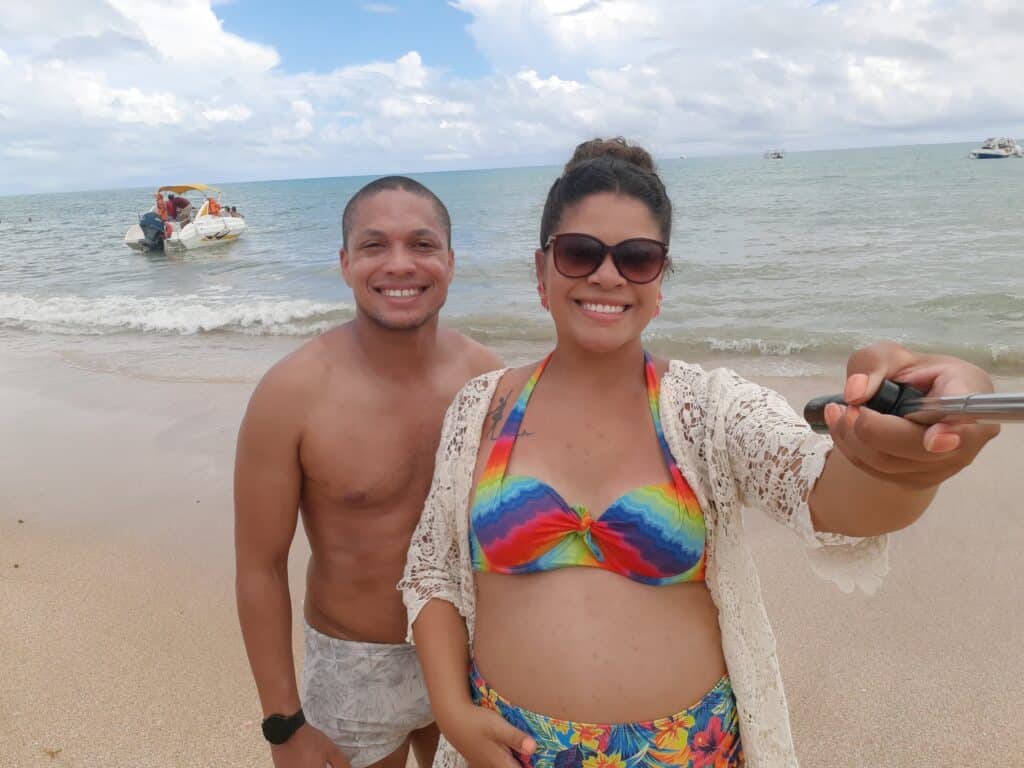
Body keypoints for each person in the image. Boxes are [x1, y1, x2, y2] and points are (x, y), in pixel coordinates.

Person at [399, 138, 1000, 768]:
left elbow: (827, 496)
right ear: (542, 269)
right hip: (507, 749)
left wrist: (912, 452)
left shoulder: (709, 409)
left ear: (660, 280)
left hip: (690, 752)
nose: (607, 275)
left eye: (636, 257)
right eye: (580, 253)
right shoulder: (480, 407)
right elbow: (433, 567)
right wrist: (452, 712)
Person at [235, 176, 502, 768]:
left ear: (451, 262)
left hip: (469, 653)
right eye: (375, 245)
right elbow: (259, 567)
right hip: (355, 665)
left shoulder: (489, 381)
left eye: (422, 245)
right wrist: (284, 725)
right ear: (345, 261)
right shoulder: (292, 394)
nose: (400, 264)